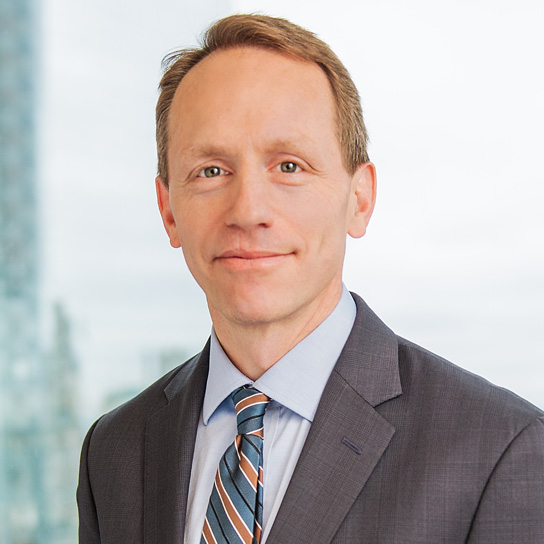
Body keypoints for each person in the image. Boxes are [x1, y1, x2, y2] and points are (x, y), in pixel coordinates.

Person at [77, 13, 544, 544]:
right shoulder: (113, 451)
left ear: (360, 198)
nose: (248, 210)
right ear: (168, 211)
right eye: (211, 170)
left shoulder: (502, 450)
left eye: (289, 166)